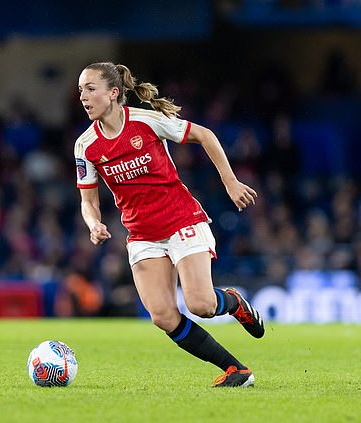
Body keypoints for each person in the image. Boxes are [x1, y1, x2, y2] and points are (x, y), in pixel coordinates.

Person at [75, 62, 264, 387]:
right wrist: (94, 224)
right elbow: (88, 201)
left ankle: (233, 302)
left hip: (181, 220)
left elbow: (204, 135)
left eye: (90, 88)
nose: (83, 96)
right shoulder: (85, 146)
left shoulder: (147, 122)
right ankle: (236, 370)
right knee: (163, 316)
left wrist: (230, 182)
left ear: (113, 93)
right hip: (142, 235)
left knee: (200, 305)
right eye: (81, 90)